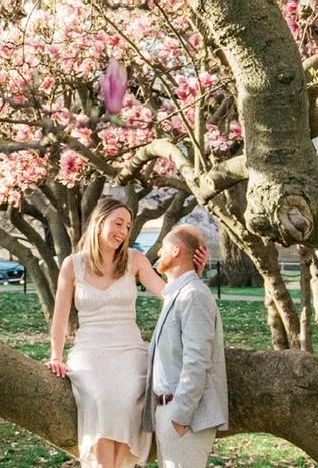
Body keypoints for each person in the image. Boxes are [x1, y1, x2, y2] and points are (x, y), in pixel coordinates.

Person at [47, 197, 194, 468]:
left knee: (127, 398)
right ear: (99, 222)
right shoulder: (72, 264)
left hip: (129, 349)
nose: (123, 232)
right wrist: (56, 355)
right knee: (101, 397)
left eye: (127, 226)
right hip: (89, 349)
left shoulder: (135, 260)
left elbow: (167, 293)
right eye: (118, 223)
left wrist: (191, 273)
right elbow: (60, 315)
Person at [143, 225, 229, 468]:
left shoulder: (194, 295)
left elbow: (197, 361)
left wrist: (180, 417)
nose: (158, 253)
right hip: (167, 413)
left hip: (184, 418)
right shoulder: (178, 294)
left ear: (176, 250)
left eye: (163, 247)